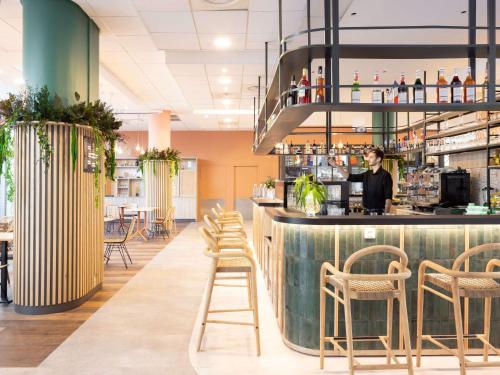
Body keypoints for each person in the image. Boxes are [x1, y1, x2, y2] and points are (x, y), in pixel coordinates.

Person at [328, 148, 393, 215]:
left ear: (378, 159)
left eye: (371, 157)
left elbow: (388, 198)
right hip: (366, 213)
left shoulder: (385, 175)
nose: (368, 159)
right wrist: (337, 165)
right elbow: (349, 177)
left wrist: (385, 215)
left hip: (379, 213)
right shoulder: (367, 174)